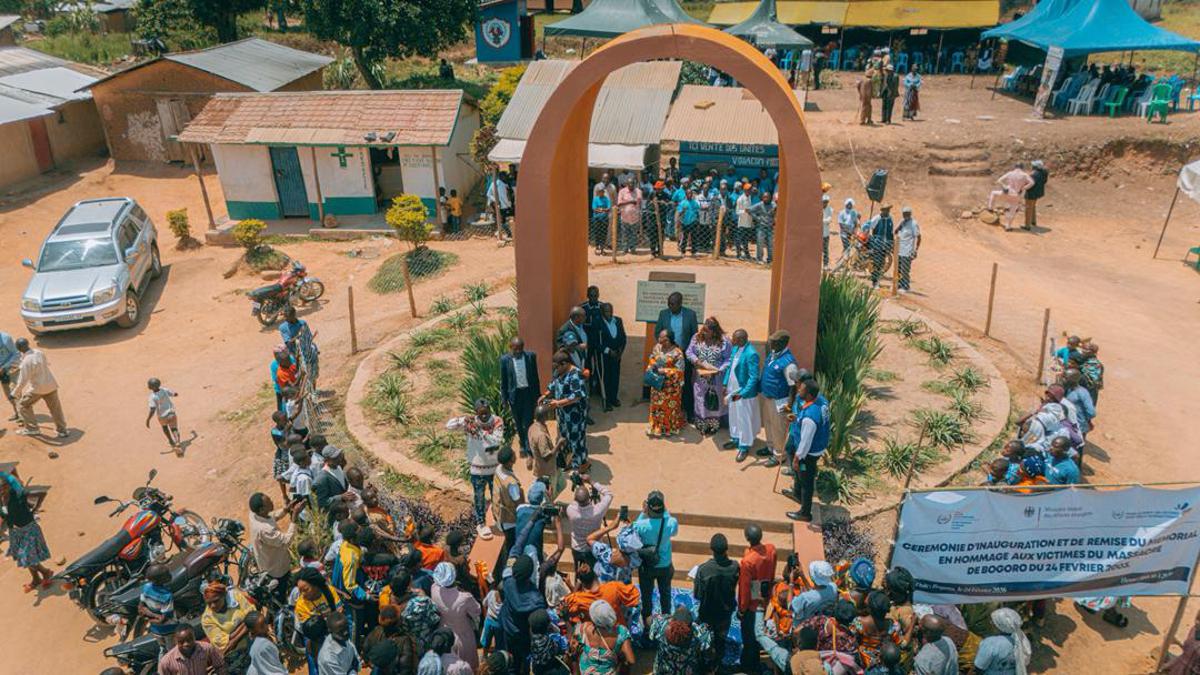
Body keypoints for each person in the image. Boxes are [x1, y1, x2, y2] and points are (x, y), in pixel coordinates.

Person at [447, 399, 506, 539]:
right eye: (481, 414)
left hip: (493, 468)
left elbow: (496, 440)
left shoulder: (497, 421)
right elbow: (449, 426)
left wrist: (480, 430)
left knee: (496, 497)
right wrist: (462, 419)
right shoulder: (471, 422)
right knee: (479, 498)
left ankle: (498, 520)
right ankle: (481, 524)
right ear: (476, 413)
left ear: (490, 410)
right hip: (477, 469)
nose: (484, 416)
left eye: (486, 413)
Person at [786, 378, 830, 522]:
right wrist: (798, 418)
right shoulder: (821, 401)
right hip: (817, 448)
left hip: (808, 454)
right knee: (801, 476)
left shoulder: (809, 419)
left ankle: (805, 513)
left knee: (806, 481)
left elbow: (805, 442)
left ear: (810, 395)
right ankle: (797, 494)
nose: (799, 390)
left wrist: (798, 458)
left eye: (802, 389)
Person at [1, 471, 53, 592]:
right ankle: (36, 579)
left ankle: (45, 572)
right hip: (15, 531)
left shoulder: (18, 494)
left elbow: (12, 479)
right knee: (24, 556)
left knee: (27, 558)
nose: (1, 491)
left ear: (8, 486)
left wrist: (2, 473)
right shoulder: (2, 499)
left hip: (28, 528)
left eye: (3, 487)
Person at [693, 533, 738, 670]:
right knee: (720, 640)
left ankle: (702, 665)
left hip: (707, 612)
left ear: (711, 549)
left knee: (703, 638)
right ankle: (717, 664)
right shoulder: (735, 567)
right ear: (727, 549)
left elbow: (698, 595)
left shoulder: (703, 570)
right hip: (725, 612)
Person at [633, 490, 679, 624]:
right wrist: (664, 510)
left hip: (647, 566)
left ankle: (647, 625)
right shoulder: (671, 522)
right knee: (666, 595)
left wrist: (643, 512)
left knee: (646, 598)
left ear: (649, 507)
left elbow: (633, 531)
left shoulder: (641, 525)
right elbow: (673, 531)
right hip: (665, 565)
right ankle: (666, 623)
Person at [760, 330, 803, 469]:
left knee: (779, 428)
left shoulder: (789, 363)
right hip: (768, 397)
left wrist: (789, 406)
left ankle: (779, 455)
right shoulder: (773, 354)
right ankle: (770, 447)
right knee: (768, 424)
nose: (770, 343)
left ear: (783, 343)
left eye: (774, 342)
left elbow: (793, 387)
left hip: (780, 401)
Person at [738, 524, 777, 673]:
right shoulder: (771, 549)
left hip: (752, 605)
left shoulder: (748, 561)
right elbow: (772, 571)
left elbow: (745, 588)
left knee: (749, 638)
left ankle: (748, 666)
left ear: (747, 538)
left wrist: (742, 610)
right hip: (765, 596)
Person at [653, 292, 698, 416]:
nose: (670, 306)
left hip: (684, 354)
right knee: (668, 382)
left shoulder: (690, 315)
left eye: (673, 304)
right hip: (668, 354)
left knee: (686, 382)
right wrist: (665, 346)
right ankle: (669, 411)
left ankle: (688, 411)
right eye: (669, 304)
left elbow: (695, 336)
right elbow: (657, 333)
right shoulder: (663, 314)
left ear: (680, 304)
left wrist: (691, 353)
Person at [431, 562, 482, 671]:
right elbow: (477, 611)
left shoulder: (434, 589)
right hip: (464, 636)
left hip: (444, 634)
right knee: (468, 666)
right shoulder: (465, 597)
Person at [12, 337, 67, 438]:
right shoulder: (38, 352)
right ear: (28, 344)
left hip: (38, 389)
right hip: (51, 384)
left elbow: (22, 381)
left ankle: (32, 429)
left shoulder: (26, 362)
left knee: (23, 405)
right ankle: (62, 430)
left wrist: (14, 393)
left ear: (18, 349)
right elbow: (43, 364)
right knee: (55, 409)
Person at [499, 555, 547, 671]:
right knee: (525, 660)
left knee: (512, 661)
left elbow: (500, 588)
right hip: (525, 635)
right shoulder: (536, 599)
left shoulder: (508, 583)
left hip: (508, 629)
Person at [542, 350, 589, 469]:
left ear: (565, 364)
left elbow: (576, 396)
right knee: (564, 438)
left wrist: (557, 403)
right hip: (563, 414)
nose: (556, 369)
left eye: (557, 367)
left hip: (575, 416)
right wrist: (545, 395)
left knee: (576, 439)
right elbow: (554, 384)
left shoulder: (575, 375)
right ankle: (568, 461)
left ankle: (581, 465)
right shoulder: (560, 371)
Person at [685, 317, 731, 436]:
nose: (704, 333)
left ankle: (713, 425)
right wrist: (698, 362)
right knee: (700, 398)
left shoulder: (724, 341)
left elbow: (728, 359)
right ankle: (702, 424)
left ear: (715, 331)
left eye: (707, 331)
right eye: (703, 329)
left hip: (716, 377)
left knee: (714, 400)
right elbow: (689, 352)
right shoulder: (697, 337)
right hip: (700, 378)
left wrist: (718, 370)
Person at [723, 329, 761, 462]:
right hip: (732, 389)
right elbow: (730, 368)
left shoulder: (751, 354)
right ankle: (735, 438)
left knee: (743, 419)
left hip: (743, 392)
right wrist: (725, 384)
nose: (732, 341)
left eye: (734, 339)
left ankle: (744, 446)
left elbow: (753, 378)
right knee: (733, 415)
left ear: (741, 339)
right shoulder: (735, 349)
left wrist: (743, 393)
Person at [248, 492, 294, 601]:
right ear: (261, 510)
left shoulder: (254, 515)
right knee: (280, 596)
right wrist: (294, 519)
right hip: (276, 570)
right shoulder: (265, 530)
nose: (272, 502)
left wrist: (285, 510)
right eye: (269, 502)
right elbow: (286, 541)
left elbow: (271, 517)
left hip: (269, 561)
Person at [500, 337, 540, 458]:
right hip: (514, 395)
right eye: (515, 349)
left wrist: (538, 396)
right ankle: (522, 443)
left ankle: (529, 447)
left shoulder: (530, 357)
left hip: (528, 393)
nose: (518, 351)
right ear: (510, 347)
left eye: (520, 349)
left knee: (528, 421)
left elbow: (535, 377)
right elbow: (504, 381)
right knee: (518, 422)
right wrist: (504, 399)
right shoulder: (504, 360)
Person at [573, 599, 635, 674]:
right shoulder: (620, 632)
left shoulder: (583, 628)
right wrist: (621, 661)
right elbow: (631, 660)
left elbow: (573, 648)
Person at [201, 581, 255, 667]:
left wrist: (233, 640)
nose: (212, 606)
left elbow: (253, 616)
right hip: (236, 650)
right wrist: (246, 624)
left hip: (248, 637)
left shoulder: (235, 596)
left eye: (216, 601)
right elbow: (224, 644)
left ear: (224, 596)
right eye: (209, 603)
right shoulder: (207, 618)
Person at [648, 605, 712, 674]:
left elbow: (648, 620)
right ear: (690, 625)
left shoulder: (661, 627)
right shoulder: (698, 634)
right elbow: (709, 653)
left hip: (662, 671)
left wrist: (664, 617)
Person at [492, 447, 524, 584]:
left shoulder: (499, 469)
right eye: (513, 454)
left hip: (500, 514)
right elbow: (517, 501)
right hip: (510, 519)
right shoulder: (511, 483)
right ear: (511, 460)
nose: (515, 455)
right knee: (513, 546)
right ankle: (508, 574)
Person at [566, 474, 613, 567]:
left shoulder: (570, 510)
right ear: (589, 498)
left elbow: (578, 500)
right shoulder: (598, 511)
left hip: (577, 548)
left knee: (579, 572)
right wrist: (591, 481)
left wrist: (580, 487)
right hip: (593, 547)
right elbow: (609, 494)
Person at [646, 329, 686, 437]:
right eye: (659, 338)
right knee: (657, 408)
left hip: (670, 388)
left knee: (669, 409)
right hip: (657, 384)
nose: (659, 340)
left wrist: (664, 371)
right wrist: (652, 366)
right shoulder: (657, 347)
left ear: (668, 340)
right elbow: (652, 358)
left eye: (662, 339)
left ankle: (669, 428)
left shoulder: (677, 353)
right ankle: (656, 427)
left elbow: (680, 371)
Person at [973, 607, 1031, 675]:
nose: (990, 622)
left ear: (999, 626)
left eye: (993, 622)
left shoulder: (990, 643)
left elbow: (979, 667)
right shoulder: (1020, 640)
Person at [159, 624, 227, 675]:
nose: (186, 644)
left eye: (189, 640)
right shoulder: (166, 662)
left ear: (194, 637)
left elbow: (220, 666)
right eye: (181, 642)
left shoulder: (207, 648)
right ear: (175, 641)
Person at [139, 563, 176, 654]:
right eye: (167, 574)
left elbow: (141, 606)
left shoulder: (146, 587)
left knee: (162, 649)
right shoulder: (167, 596)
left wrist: (150, 616)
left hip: (155, 630)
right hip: (169, 630)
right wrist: (157, 618)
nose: (170, 575)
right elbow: (163, 619)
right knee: (173, 652)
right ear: (160, 580)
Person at [989, 163, 1035, 232]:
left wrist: (1004, 186)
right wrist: (1023, 188)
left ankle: (990, 208)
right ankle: (1008, 226)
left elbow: (999, 180)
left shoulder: (1010, 173)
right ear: (1022, 168)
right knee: (1012, 211)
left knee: (993, 193)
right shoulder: (1024, 175)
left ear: (1015, 167)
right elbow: (1032, 183)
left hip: (1007, 192)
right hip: (1017, 195)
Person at [597, 303, 625, 412]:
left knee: (615, 376)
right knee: (606, 378)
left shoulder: (618, 321)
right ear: (602, 312)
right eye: (606, 311)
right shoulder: (598, 323)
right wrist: (608, 351)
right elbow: (595, 342)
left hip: (617, 355)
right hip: (604, 356)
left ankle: (614, 398)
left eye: (610, 311)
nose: (608, 314)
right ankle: (607, 400)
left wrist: (620, 351)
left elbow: (623, 338)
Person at [244, 610, 288, 675]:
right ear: (252, 630)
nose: (266, 626)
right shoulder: (263, 645)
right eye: (261, 626)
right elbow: (273, 669)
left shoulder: (256, 639)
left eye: (265, 622)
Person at [144, 377, 181, 451]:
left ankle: (171, 440)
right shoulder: (164, 390)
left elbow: (152, 409)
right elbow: (173, 394)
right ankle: (177, 441)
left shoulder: (152, 397)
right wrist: (175, 394)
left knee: (165, 427)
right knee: (174, 428)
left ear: (150, 387)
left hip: (162, 416)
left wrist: (148, 419)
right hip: (171, 413)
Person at [866, 204, 896, 288]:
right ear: (882, 210)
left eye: (888, 210)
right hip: (877, 244)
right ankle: (875, 282)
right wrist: (866, 230)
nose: (887, 211)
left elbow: (891, 233)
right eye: (886, 210)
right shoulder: (877, 218)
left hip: (885, 245)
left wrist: (891, 244)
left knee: (882, 264)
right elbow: (868, 225)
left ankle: (877, 280)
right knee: (877, 263)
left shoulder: (890, 219)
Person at [312, 445, 349, 511]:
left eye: (338, 456)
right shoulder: (322, 478)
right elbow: (321, 502)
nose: (338, 459)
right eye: (335, 458)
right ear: (326, 460)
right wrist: (340, 497)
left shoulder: (338, 466)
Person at [1165, 608, 1200, 675]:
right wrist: (1176, 642)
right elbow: (1188, 651)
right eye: (1197, 619)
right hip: (1178, 668)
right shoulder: (1194, 630)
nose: (1197, 622)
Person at [895, 206, 922, 293]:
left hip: (907, 251)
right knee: (898, 269)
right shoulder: (903, 222)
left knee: (905, 270)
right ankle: (899, 285)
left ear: (910, 214)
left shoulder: (913, 224)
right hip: (899, 250)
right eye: (903, 214)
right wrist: (899, 225)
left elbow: (919, 237)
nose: (905, 215)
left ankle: (906, 286)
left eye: (906, 214)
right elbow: (895, 231)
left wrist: (916, 250)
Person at [557, 306, 590, 372]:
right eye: (583, 316)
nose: (586, 317)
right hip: (572, 366)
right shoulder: (564, 329)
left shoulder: (584, 326)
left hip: (584, 362)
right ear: (576, 317)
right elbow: (562, 349)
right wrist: (579, 347)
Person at [748, 191, 777, 265]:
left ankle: (770, 260)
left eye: (767, 197)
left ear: (770, 198)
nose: (766, 198)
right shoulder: (760, 205)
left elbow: (777, 212)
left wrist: (774, 220)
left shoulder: (774, 205)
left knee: (770, 244)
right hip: (761, 227)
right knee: (760, 244)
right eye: (764, 197)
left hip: (770, 227)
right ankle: (759, 259)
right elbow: (749, 210)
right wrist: (757, 218)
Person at [617, 177, 643, 255]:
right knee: (625, 234)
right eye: (630, 184)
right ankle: (625, 249)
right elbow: (619, 203)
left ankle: (633, 249)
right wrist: (630, 201)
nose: (631, 185)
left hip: (635, 217)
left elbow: (640, 203)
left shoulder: (638, 191)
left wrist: (640, 212)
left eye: (633, 184)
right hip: (625, 217)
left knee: (634, 234)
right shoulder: (622, 192)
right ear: (627, 184)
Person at [271, 348, 300, 412]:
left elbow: (296, 369)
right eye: (287, 361)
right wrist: (301, 376)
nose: (290, 361)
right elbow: (293, 385)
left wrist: (297, 359)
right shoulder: (281, 373)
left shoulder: (288, 366)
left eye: (289, 359)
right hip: (290, 394)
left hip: (296, 391)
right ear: (281, 363)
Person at [675, 187, 701, 256]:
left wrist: (697, 220)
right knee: (684, 237)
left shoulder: (695, 203)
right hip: (685, 222)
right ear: (686, 194)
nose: (689, 195)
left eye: (690, 193)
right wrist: (683, 210)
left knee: (694, 237)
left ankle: (694, 251)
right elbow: (679, 213)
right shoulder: (682, 203)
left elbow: (697, 212)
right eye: (688, 193)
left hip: (693, 222)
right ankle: (683, 251)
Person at [487, 171, 513, 239]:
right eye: (505, 176)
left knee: (501, 219)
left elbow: (488, 194)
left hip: (500, 205)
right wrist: (509, 205)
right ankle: (508, 233)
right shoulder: (498, 185)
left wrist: (495, 200)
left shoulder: (496, 184)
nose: (506, 177)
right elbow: (503, 197)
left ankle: (500, 232)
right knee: (503, 220)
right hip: (502, 206)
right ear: (501, 177)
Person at [0, 329, 19, 420]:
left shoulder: (5, 338)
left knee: (15, 392)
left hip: (10, 369)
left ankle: (21, 415)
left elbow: (16, 354)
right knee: (7, 393)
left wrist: (4, 367)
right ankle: (17, 413)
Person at [1026, 159, 1049, 230]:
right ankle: (1033, 221)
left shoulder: (1033, 174)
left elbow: (1029, 183)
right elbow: (1044, 182)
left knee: (1028, 208)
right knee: (1033, 206)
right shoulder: (1044, 173)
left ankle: (1027, 226)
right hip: (1038, 192)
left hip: (1031, 192)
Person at [734, 183, 755, 259]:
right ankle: (738, 254)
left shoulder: (749, 197)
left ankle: (746, 254)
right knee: (739, 239)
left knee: (746, 240)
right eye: (749, 190)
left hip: (748, 222)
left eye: (750, 190)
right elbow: (737, 211)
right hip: (742, 223)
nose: (750, 191)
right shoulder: (740, 199)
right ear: (745, 190)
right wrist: (745, 211)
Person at [591, 183, 612, 254]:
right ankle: (597, 247)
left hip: (604, 218)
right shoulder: (595, 199)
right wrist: (603, 209)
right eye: (599, 191)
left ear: (603, 192)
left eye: (602, 191)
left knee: (604, 233)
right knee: (597, 232)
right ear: (597, 192)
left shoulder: (606, 199)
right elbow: (594, 209)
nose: (601, 192)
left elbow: (609, 208)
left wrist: (600, 209)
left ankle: (602, 248)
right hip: (596, 218)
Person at [821, 194, 833, 266]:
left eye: (826, 202)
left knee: (825, 250)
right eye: (824, 201)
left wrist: (821, 221)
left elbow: (829, 220)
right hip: (818, 234)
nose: (825, 203)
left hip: (825, 233)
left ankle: (826, 264)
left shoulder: (830, 209)